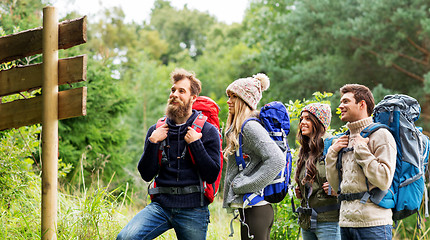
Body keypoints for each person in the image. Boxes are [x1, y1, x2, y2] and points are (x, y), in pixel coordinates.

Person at [117, 68, 221, 240]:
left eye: (182, 91)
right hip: (161, 206)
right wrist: (152, 142)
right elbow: (146, 174)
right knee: (125, 238)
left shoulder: (208, 131)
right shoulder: (156, 130)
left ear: (193, 98)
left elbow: (211, 175)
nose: (175, 94)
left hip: (194, 209)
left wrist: (196, 144)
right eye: (173, 90)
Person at [325, 84, 396, 240]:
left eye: (345, 101)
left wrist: (362, 150)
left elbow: (384, 180)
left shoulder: (381, 135)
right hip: (345, 224)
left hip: (374, 225)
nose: (340, 106)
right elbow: (337, 187)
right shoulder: (344, 139)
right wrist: (332, 153)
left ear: (362, 104)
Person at [223, 73, 285, 240]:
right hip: (252, 207)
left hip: (257, 207)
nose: (229, 101)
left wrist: (245, 184)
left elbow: (277, 159)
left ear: (245, 100)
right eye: (229, 96)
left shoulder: (250, 127)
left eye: (234, 97)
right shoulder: (243, 127)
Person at [294, 103, 340, 240]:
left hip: (329, 222)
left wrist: (338, 188)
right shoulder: (306, 150)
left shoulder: (333, 146)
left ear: (319, 122)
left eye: (308, 119)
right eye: (302, 119)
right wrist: (301, 189)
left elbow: (352, 178)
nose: (302, 122)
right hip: (307, 221)